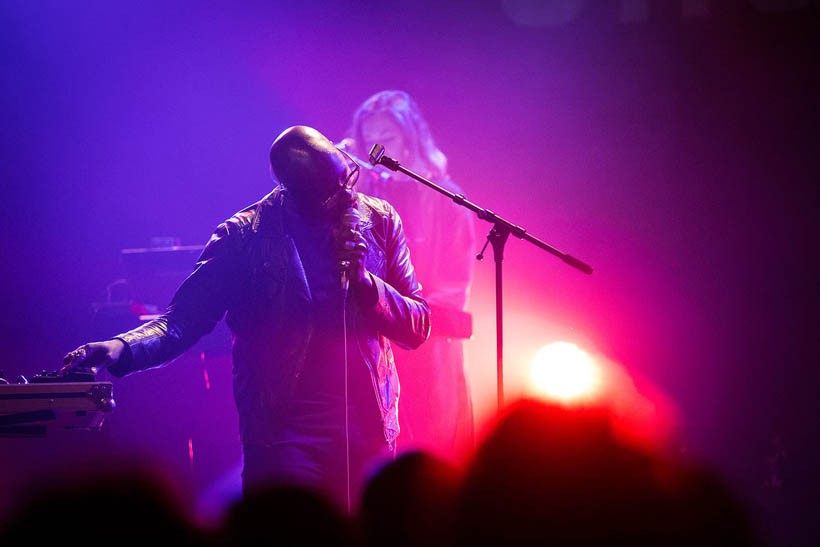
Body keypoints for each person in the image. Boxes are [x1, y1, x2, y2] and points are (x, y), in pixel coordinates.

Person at [62, 125, 431, 509]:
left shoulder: (381, 220)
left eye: (346, 176)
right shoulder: (244, 236)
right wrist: (121, 346)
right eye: (334, 188)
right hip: (285, 434)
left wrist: (367, 285)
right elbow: (182, 321)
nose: (348, 193)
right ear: (298, 192)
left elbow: (418, 324)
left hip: (368, 429)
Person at [343, 90, 476, 460]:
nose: (376, 150)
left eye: (386, 139)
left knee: (432, 450)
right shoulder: (361, 199)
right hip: (372, 344)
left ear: (410, 138)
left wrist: (404, 318)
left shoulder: (445, 198)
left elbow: (453, 285)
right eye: (370, 141)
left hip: (426, 344)